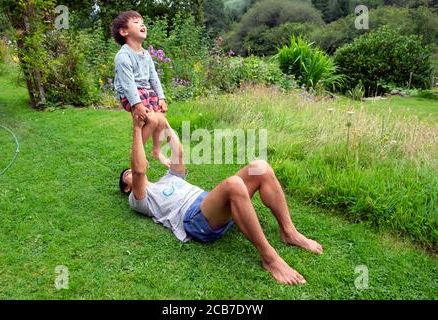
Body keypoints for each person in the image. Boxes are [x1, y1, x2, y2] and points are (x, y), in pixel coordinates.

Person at [119, 111, 324, 286]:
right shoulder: (140, 200)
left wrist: (163, 121)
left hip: (212, 205)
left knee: (260, 167)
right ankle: (270, 258)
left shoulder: (168, 179)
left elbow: (177, 151)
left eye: (127, 170)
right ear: (127, 189)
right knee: (234, 184)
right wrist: (137, 129)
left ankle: (289, 232)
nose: (128, 171)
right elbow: (138, 171)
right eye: (124, 174)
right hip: (194, 219)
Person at [112, 10, 171, 167]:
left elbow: (154, 78)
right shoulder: (123, 56)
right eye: (137, 22)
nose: (142, 24)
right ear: (124, 32)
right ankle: (137, 155)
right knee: (150, 120)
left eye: (142, 22)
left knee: (161, 119)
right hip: (130, 94)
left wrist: (161, 97)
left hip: (146, 91)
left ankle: (157, 151)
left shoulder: (146, 55)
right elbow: (128, 84)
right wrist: (136, 105)